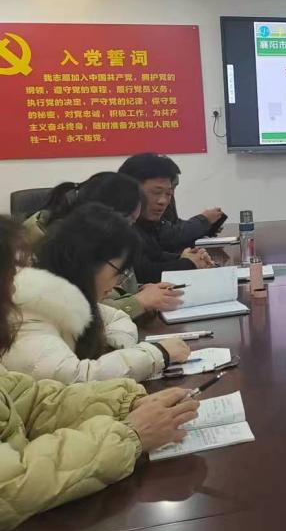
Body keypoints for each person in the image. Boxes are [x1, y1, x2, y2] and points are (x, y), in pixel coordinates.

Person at [0, 214, 200, 531]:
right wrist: (130, 435)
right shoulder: (31, 310)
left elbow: (31, 400)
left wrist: (124, 403)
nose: (15, 290)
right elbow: (9, 487)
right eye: (9, 279)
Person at [3, 204, 190, 384]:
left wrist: (117, 352)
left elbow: (116, 317)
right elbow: (75, 379)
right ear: (87, 263)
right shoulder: (26, 311)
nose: (117, 282)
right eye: (118, 271)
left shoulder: (59, 294)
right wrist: (156, 354)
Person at [22, 172, 183, 320]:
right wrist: (138, 302)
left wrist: (143, 292)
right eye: (127, 222)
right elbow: (77, 311)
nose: (129, 230)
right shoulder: (51, 249)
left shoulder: (88, 236)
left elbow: (107, 290)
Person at [118, 153, 215, 283]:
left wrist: (188, 258)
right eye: (156, 192)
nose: (163, 201)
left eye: (169, 194)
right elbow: (142, 273)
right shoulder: (113, 225)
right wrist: (188, 263)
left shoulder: (146, 223)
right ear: (129, 190)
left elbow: (155, 255)